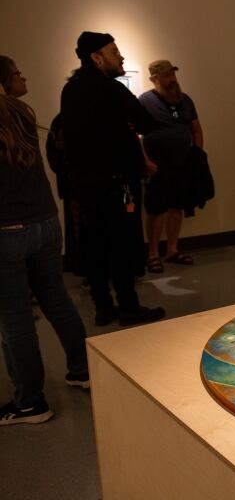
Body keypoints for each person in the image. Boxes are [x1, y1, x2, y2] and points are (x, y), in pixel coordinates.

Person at [60, 32, 165, 327]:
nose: (121, 57)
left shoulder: (70, 90)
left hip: (85, 185)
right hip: (116, 185)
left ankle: (103, 308)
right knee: (121, 247)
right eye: (114, 51)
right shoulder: (110, 89)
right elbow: (144, 121)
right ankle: (129, 307)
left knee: (95, 248)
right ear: (96, 57)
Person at [0, 82, 89, 426]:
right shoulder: (20, 110)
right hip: (45, 222)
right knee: (56, 299)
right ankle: (83, 371)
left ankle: (30, 402)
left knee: (15, 319)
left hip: (7, 230)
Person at [139, 60, 203, 273]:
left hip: (182, 163)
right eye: (166, 76)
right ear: (154, 79)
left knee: (177, 207)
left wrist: (197, 155)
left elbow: (195, 128)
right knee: (156, 209)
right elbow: (135, 134)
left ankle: (173, 249)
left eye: (173, 75)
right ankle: (152, 253)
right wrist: (145, 160)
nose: (172, 79)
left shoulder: (185, 100)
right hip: (158, 165)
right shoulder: (145, 101)